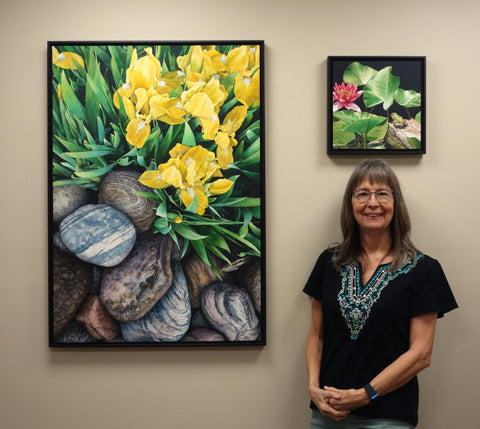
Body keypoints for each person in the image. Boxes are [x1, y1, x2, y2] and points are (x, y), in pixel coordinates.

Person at [304, 159, 458, 429]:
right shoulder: (329, 263)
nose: (372, 203)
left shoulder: (423, 270)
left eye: (382, 193)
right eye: (362, 193)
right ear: (350, 203)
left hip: (388, 416)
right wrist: (313, 388)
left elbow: (421, 354)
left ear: (395, 203)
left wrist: (365, 395)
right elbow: (317, 335)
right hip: (328, 412)